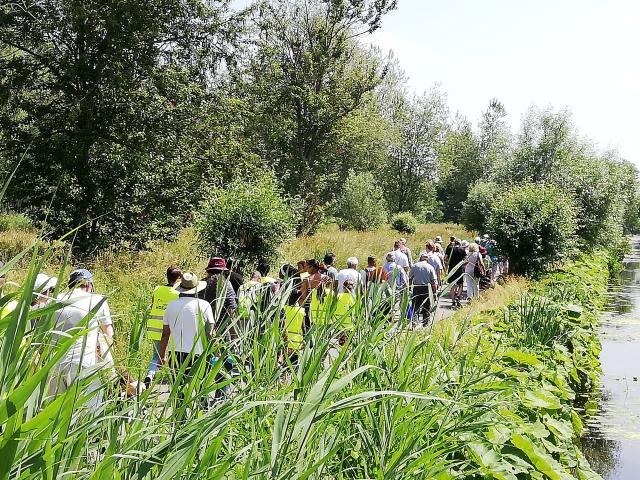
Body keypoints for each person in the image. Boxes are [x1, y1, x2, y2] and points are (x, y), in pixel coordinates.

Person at [50, 269, 114, 403]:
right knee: (88, 411)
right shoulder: (97, 300)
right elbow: (108, 335)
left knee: (55, 413)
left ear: (70, 285)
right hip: (83, 363)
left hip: (55, 365)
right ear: (89, 285)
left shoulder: (55, 300)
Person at [159, 272, 216, 404]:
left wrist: (162, 355)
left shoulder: (171, 306)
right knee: (201, 389)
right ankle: (202, 417)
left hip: (176, 354)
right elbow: (210, 333)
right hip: (199, 353)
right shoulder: (204, 305)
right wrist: (215, 351)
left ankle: (180, 420)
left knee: (178, 391)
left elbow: (165, 334)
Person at [144, 266, 182, 386]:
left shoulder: (157, 289)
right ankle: (173, 380)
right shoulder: (178, 293)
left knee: (156, 355)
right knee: (173, 355)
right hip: (170, 328)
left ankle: (150, 374)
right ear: (178, 279)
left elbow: (153, 303)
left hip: (154, 326)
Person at [202, 257, 238, 339]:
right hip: (221, 331)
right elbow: (231, 311)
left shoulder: (202, 284)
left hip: (203, 330)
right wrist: (234, 336)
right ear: (223, 271)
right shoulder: (226, 285)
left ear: (208, 270)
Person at [409, 252, 438, 326]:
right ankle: (425, 322)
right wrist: (434, 293)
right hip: (426, 288)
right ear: (427, 259)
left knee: (415, 305)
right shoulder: (430, 267)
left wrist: (409, 288)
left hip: (416, 287)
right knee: (426, 305)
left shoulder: (414, 266)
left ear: (420, 258)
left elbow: (410, 278)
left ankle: (414, 321)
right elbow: (433, 281)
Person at [448, 240, 467, 308]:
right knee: (460, 285)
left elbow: (446, 258)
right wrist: (463, 265)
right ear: (460, 243)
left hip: (451, 270)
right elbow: (466, 260)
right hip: (459, 269)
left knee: (452, 286)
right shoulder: (462, 250)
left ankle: (452, 302)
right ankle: (458, 296)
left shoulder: (450, 249)